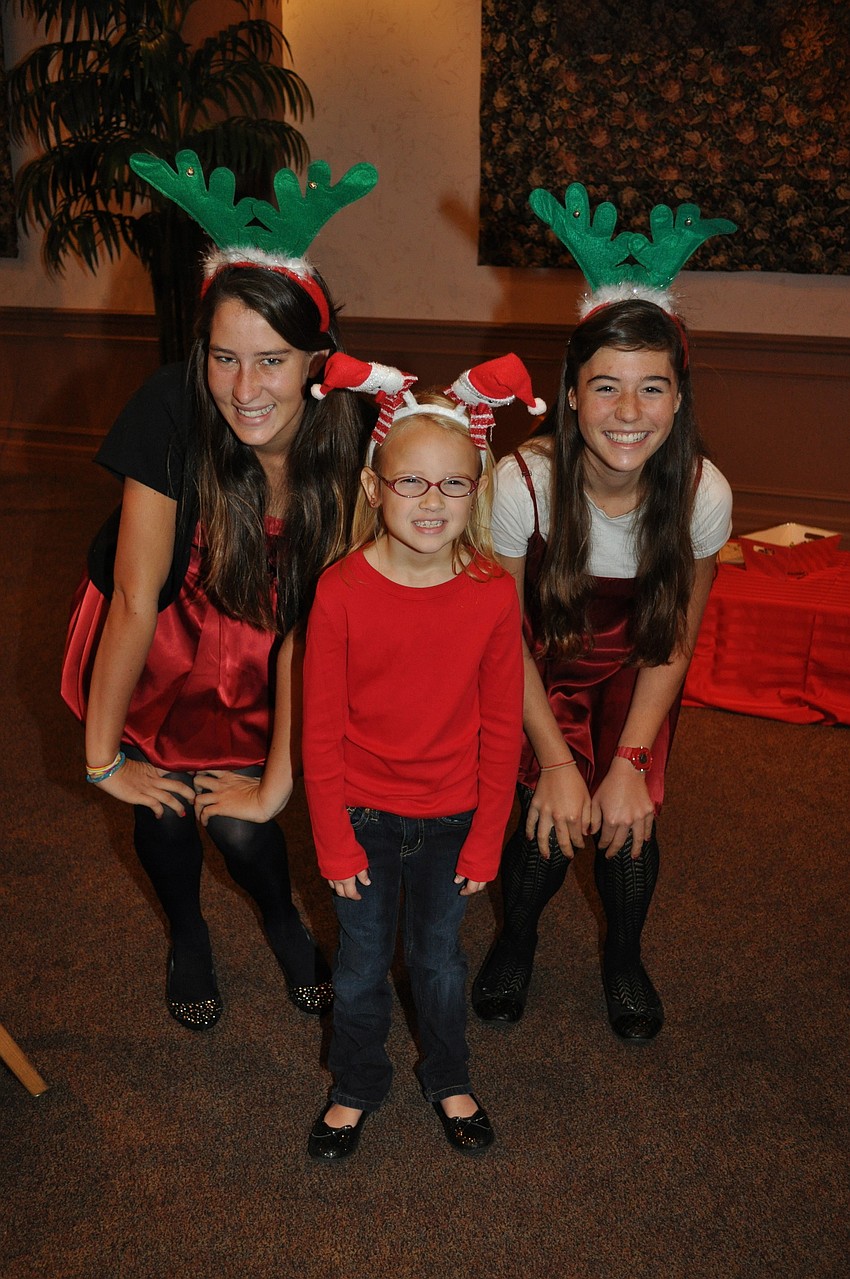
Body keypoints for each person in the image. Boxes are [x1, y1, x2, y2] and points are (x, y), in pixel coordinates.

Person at [61, 153, 378, 1031]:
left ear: (320, 360)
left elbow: (320, 628)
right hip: (167, 625)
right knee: (160, 802)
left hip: (280, 646)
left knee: (240, 823)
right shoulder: (172, 405)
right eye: (224, 358)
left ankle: (281, 918)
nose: (245, 389)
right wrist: (102, 761)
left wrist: (277, 787)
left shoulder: (356, 430)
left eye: (272, 361)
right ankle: (187, 931)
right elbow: (133, 596)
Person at [272, 353, 540, 1161]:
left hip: (455, 819)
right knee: (358, 965)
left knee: (439, 962)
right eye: (411, 483)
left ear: (478, 490)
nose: (432, 502)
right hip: (361, 816)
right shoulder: (342, 589)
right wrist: (332, 837)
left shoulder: (493, 592)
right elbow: (318, 731)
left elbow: (502, 725)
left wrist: (490, 832)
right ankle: (355, 1084)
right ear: (372, 489)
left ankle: (449, 1075)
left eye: (454, 484)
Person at [471, 298, 733, 1042]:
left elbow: (675, 640)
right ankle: (515, 941)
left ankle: (624, 955)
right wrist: (555, 759)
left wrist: (631, 759)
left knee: (629, 814)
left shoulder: (700, 493)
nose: (628, 410)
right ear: (572, 394)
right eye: (605, 385)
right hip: (537, 663)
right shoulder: (522, 482)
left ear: (678, 400)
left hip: (638, 670)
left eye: (651, 387)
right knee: (545, 820)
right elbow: (500, 635)